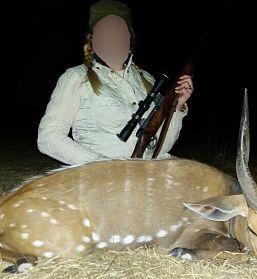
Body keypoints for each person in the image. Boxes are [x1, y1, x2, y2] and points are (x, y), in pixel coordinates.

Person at [37, 0, 194, 165]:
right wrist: (102, 166)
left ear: (129, 38)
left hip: (149, 172)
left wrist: (177, 107)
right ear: (92, 39)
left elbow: (161, 148)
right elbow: (48, 138)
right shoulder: (76, 77)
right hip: (102, 180)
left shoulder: (148, 80)